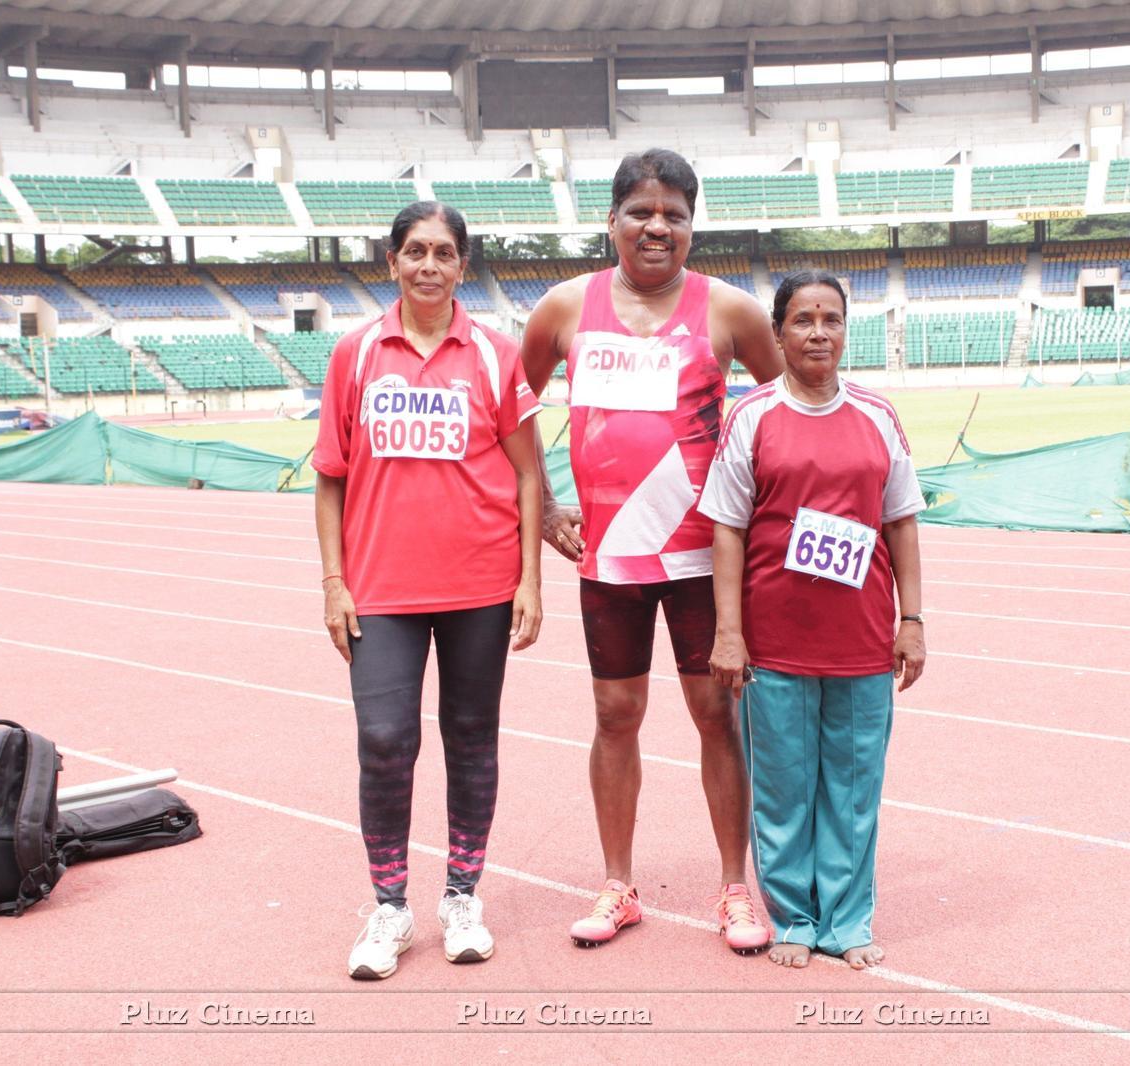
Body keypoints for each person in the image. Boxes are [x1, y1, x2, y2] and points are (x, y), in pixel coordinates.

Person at [520, 148, 784, 953]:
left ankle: (736, 889)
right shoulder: (564, 308)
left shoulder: (731, 311)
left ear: (692, 228)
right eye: (641, 211)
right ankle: (617, 884)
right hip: (608, 558)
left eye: (674, 213)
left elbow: (779, 412)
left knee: (716, 715)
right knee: (614, 714)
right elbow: (511, 410)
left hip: (706, 559)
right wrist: (543, 509)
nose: (657, 225)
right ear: (612, 221)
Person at [313, 201, 544, 981]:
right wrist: (334, 582)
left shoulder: (492, 354)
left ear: (462, 266)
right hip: (379, 588)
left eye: (444, 253)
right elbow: (329, 480)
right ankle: (388, 907)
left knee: (472, 737)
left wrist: (529, 580)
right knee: (385, 741)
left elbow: (526, 473)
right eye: (415, 251)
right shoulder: (353, 355)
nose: (429, 266)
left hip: (479, 582)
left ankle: (460, 897)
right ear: (392, 262)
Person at [698, 269, 928, 971]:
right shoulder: (753, 417)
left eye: (831, 319)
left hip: (860, 641)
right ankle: (795, 916)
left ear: (844, 330)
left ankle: (849, 920)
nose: (818, 332)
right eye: (803, 320)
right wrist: (729, 632)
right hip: (775, 643)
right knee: (784, 791)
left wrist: (911, 619)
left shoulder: (878, 416)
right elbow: (728, 529)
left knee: (855, 792)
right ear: (777, 333)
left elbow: (902, 522)